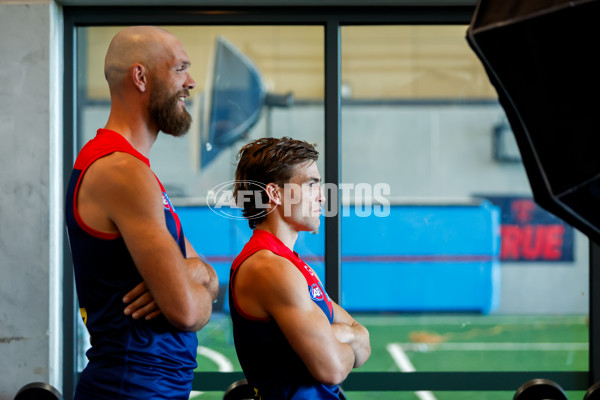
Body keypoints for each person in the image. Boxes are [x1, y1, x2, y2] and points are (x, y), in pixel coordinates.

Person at [65, 26, 219, 399]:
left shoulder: (135, 170)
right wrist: (189, 288)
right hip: (131, 388)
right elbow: (186, 311)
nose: (192, 81)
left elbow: (209, 280)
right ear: (140, 76)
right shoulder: (122, 172)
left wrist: (194, 274)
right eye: (180, 68)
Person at [229, 137, 371, 399]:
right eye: (311, 184)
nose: (322, 195)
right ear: (274, 194)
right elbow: (333, 369)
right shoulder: (269, 268)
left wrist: (337, 336)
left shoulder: (292, 264)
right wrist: (343, 336)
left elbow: (364, 339)